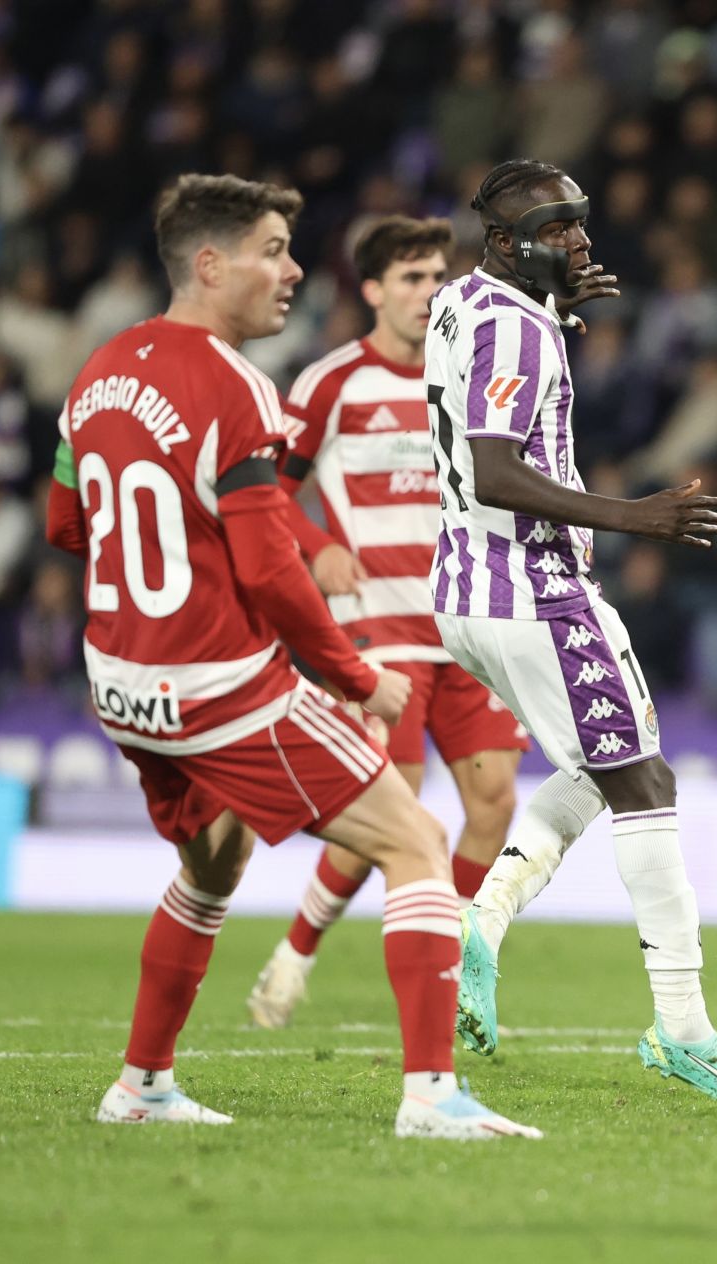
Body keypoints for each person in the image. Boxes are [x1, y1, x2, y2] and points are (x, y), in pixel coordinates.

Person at [45, 174, 536, 1139]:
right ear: (209, 262)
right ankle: (433, 1097)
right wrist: (359, 679)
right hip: (221, 684)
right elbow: (272, 571)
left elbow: (68, 522)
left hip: (121, 681)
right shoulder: (237, 384)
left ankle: (140, 1084)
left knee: (212, 865)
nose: (292, 270)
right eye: (273, 249)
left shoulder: (98, 367)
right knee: (417, 844)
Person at [426, 158, 717, 1101]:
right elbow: (497, 467)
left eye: (580, 222)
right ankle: (685, 1027)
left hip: (465, 591)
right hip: (532, 589)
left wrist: (559, 305)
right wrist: (635, 515)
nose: (580, 241)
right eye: (557, 230)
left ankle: (482, 921)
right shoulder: (518, 330)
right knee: (644, 780)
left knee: (611, 758)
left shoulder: (463, 300)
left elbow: (483, 402)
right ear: (505, 244)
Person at [244, 215, 530, 1029]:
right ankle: (297, 951)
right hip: (378, 628)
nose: (428, 292)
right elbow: (266, 488)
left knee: (495, 802)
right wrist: (318, 544)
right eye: (410, 278)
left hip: (468, 624)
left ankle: (453, 964)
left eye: (439, 275)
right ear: (372, 290)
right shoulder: (332, 381)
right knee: (394, 805)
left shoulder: (472, 374)